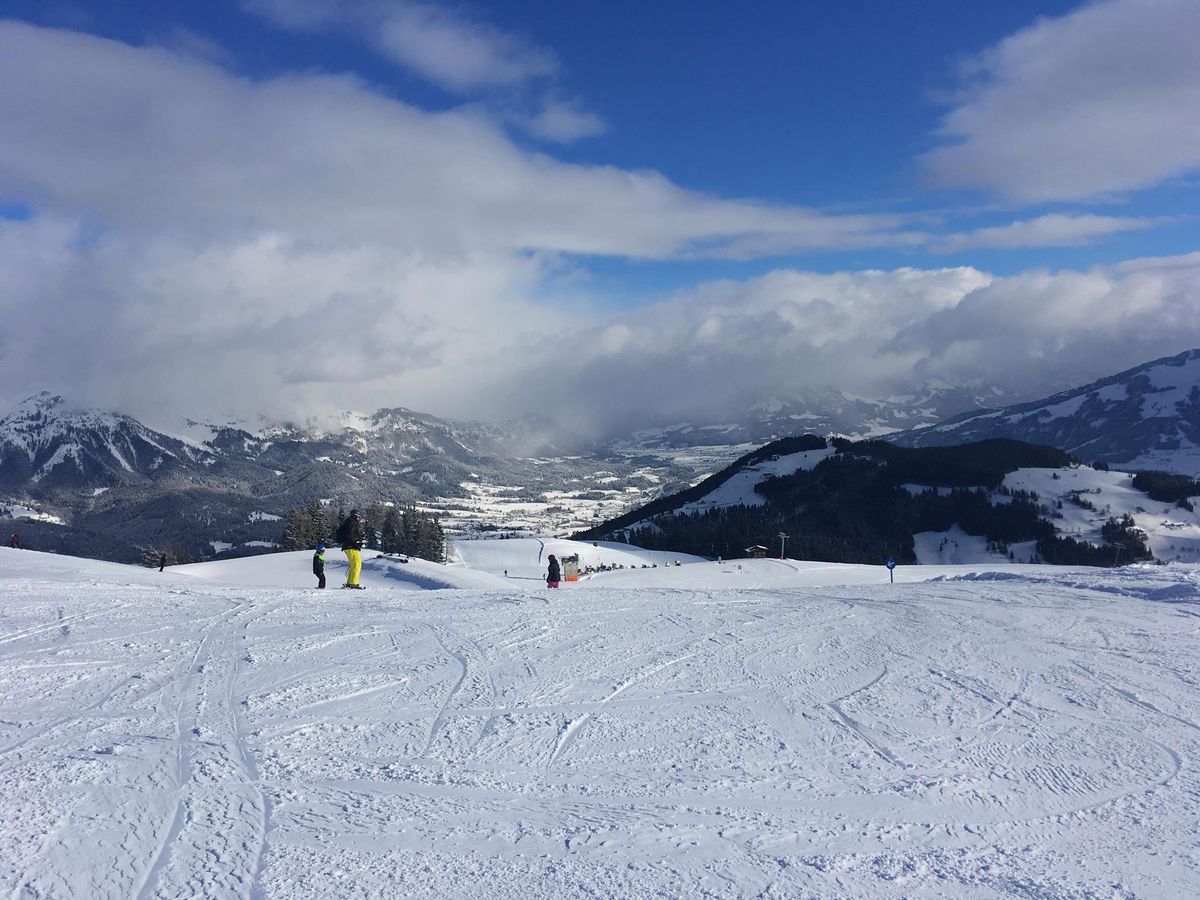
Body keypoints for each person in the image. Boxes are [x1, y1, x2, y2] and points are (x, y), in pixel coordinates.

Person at [336, 509, 365, 589]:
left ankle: (350, 582)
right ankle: (353, 583)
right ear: (355, 516)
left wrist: (360, 537)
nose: (359, 518)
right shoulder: (352, 522)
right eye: (359, 517)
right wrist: (357, 541)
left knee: (354, 565)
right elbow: (350, 535)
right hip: (351, 546)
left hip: (348, 546)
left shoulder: (349, 522)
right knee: (357, 564)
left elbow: (351, 534)